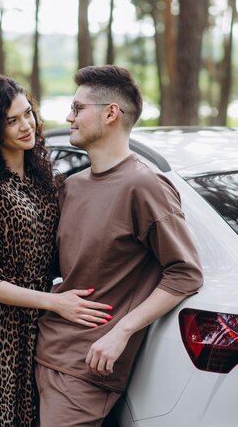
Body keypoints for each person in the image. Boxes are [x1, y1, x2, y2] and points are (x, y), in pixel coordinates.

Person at [0, 75, 113, 427]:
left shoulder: (45, 181)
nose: (26, 126)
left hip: (48, 334)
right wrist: (53, 301)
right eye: (12, 120)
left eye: (28, 114)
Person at [35, 65, 204, 427]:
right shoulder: (71, 188)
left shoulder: (144, 186)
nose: (69, 117)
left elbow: (185, 273)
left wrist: (121, 333)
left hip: (87, 370)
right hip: (41, 353)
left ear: (110, 113)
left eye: (78, 109)